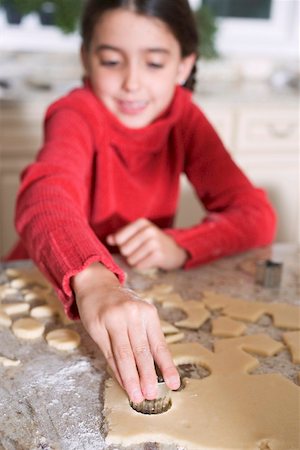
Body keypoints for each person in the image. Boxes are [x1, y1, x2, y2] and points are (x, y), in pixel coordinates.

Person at [7, 0, 276, 404]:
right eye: (112, 61)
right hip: (48, 283)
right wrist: (94, 278)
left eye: (154, 63)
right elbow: (45, 195)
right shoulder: (75, 113)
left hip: (132, 291)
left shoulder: (184, 119)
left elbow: (257, 216)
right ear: (87, 58)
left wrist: (181, 245)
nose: (132, 83)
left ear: (183, 66)